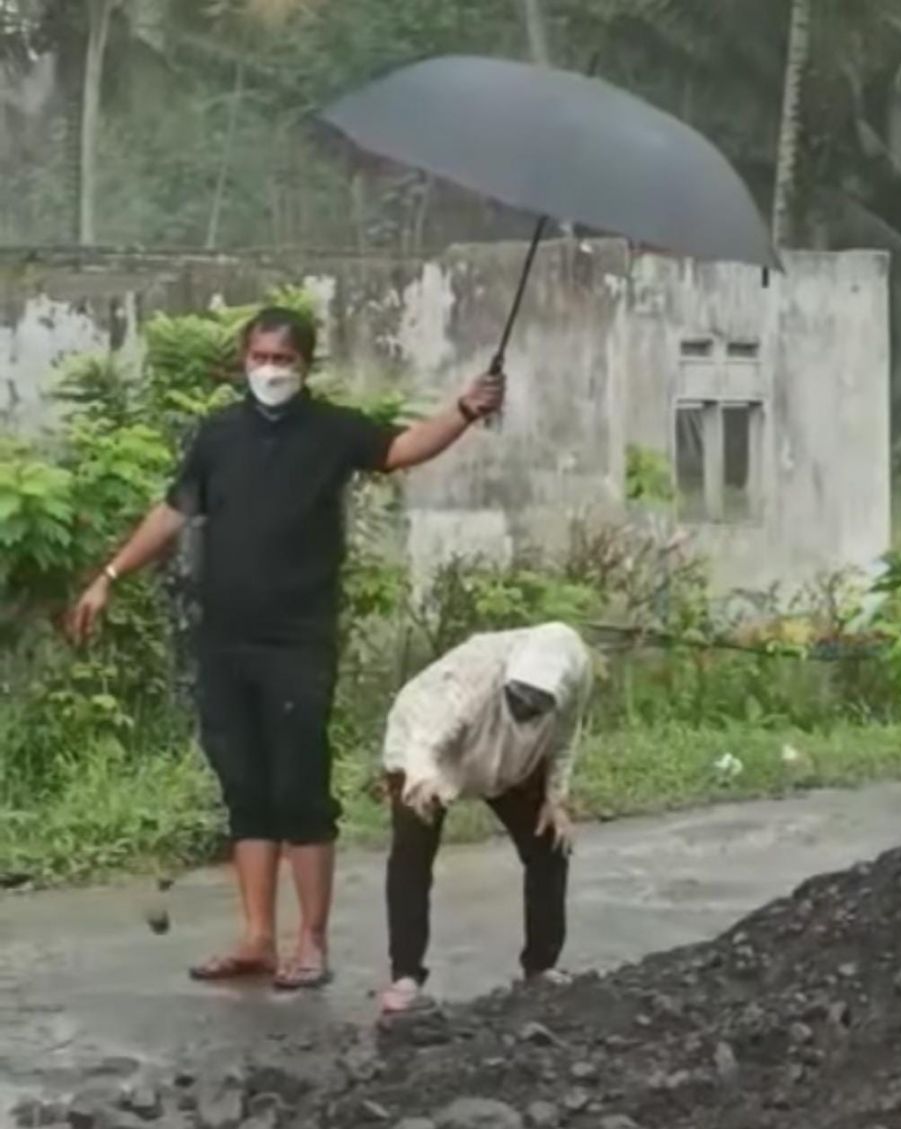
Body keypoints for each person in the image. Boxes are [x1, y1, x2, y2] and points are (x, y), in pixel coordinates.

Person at [68, 306, 504, 991]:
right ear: (244, 360)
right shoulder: (217, 436)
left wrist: (464, 408)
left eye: (284, 359)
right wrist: (109, 576)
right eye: (260, 358)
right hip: (225, 641)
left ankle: (311, 942)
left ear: (305, 364)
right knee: (245, 788)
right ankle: (256, 937)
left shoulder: (331, 431)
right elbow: (173, 511)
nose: (271, 370)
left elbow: (403, 445)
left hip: (298, 641)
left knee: (300, 788)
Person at [378, 621, 593, 1014]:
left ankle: (541, 967)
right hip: (431, 745)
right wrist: (422, 779)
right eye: (519, 698)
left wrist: (555, 797)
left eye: (536, 703)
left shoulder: (576, 671)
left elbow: (565, 736)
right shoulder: (472, 675)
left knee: (550, 843)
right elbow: (428, 736)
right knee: (413, 853)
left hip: (515, 756)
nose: (525, 707)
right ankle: (405, 975)